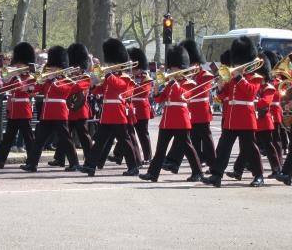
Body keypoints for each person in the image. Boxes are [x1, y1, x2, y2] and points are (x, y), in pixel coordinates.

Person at [202, 36, 264, 187]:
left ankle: (259, 175)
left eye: (238, 61)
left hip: (245, 117)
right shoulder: (231, 76)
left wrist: (239, 78)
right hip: (231, 117)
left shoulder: (255, 77)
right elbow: (224, 96)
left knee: (250, 148)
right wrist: (221, 87)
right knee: (223, 148)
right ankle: (216, 175)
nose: (235, 64)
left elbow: (250, 93)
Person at [138, 45, 203, 183]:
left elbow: (183, 96)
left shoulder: (189, 83)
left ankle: (197, 172)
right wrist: (156, 91)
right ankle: (152, 174)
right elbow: (159, 99)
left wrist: (174, 83)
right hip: (167, 120)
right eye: (171, 68)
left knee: (188, 147)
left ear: (182, 68)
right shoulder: (169, 84)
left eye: (175, 69)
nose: (172, 71)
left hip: (180, 120)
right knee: (160, 149)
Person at [79, 38, 139, 177]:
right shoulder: (109, 77)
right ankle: (90, 165)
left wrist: (108, 74)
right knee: (99, 141)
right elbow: (101, 90)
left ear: (118, 64)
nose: (108, 65)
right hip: (107, 114)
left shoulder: (126, 77)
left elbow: (120, 87)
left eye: (111, 63)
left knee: (124, 141)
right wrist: (93, 85)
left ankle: (133, 167)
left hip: (118, 114)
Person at [20, 46, 83, 172]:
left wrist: (52, 80)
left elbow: (63, 91)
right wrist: (28, 88)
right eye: (51, 66)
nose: (51, 69)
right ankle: (32, 164)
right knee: (39, 140)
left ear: (60, 68)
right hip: (47, 114)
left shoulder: (66, 80)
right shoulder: (47, 81)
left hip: (59, 113)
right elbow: (37, 89)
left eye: (54, 67)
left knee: (66, 140)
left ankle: (74, 163)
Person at [226, 52, 281, 180]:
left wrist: (251, 102)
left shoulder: (269, 87)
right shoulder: (253, 83)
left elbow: (264, 103)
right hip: (253, 120)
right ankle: (238, 170)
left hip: (264, 122)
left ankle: (276, 169)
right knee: (247, 147)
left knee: (268, 146)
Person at [163, 40, 216, 172]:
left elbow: (197, 91)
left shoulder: (206, 75)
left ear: (197, 63)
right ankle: (175, 162)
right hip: (189, 111)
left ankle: (213, 163)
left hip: (201, 111)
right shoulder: (186, 76)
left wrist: (187, 78)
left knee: (206, 139)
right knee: (187, 140)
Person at [0, 42, 36, 168]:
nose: (17, 66)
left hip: (24, 110)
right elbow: (5, 84)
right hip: (13, 110)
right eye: (17, 63)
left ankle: (32, 161)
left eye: (20, 64)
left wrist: (17, 78)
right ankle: (0, 159)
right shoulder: (14, 77)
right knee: (8, 137)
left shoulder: (30, 77)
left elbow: (29, 90)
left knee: (28, 138)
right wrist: (2, 76)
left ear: (26, 64)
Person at [48, 43, 93, 167]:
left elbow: (75, 88)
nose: (75, 68)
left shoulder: (85, 77)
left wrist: (69, 80)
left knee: (84, 136)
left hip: (80, 109)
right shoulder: (68, 77)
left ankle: (90, 160)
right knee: (65, 136)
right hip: (69, 110)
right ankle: (60, 158)